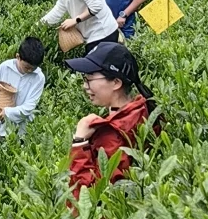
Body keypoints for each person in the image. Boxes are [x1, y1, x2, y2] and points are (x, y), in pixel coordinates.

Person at [63, 43, 158, 200]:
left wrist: (79, 141)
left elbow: (90, 195)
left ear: (116, 82)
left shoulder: (112, 134)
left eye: (89, 79)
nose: (85, 86)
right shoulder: (142, 108)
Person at [0, 36, 46, 139]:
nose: (29, 71)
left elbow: (29, 107)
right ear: (18, 57)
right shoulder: (5, 67)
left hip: (23, 131)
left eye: (33, 68)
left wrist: (7, 112)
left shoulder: (38, 77)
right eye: (26, 67)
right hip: (1, 128)